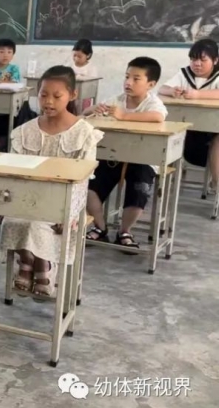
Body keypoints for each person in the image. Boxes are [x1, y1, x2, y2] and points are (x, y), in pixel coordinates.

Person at [0, 66, 103, 297]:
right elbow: (13, 175)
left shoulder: (84, 133)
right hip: (28, 200)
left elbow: (83, 181)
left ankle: (40, 264)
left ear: (72, 95)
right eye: (43, 95)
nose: (49, 101)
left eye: (57, 96)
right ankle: (29, 262)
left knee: (37, 225)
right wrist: (4, 205)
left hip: (66, 204)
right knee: (15, 220)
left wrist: (71, 214)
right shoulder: (24, 132)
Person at [83, 57, 167, 251]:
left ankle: (124, 231)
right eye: (127, 77)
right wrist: (93, 109)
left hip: (142, 159)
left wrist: (125, 116)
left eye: (136, 79)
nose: (128, 82)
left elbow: (158, 116)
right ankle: (100, 227)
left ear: (151, 84)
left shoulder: (152, 103)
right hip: (114, 157)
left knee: (139, 190)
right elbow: (87, 113)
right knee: (88, 185)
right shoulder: (117, 100)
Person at [158, 38, 219, 190]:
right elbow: (162, 89)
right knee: (168, 133)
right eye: (193, 59)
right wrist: (172, 91)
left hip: (212, 131)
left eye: (203, 60)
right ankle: (165, 182)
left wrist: (198, 94)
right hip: (187, 130)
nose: (197, 64)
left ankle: (217, 184)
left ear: (215, 60)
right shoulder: (185, 73)